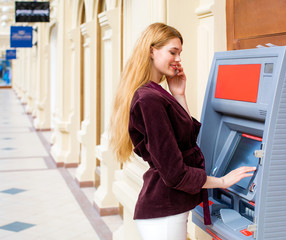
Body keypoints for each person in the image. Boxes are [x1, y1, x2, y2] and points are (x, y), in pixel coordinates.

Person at [110, 22, 256, 240]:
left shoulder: (156, 93)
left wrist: (179, 94)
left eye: (180, 53)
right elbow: (174, 173)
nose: (178, 59)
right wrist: (222, 182)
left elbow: (187, 141)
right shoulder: (149, 99)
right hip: (164, 213)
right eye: (173, 52)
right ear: (152, 50)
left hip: (166, 210)